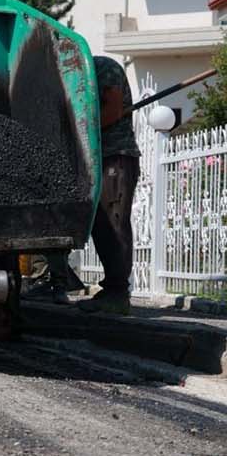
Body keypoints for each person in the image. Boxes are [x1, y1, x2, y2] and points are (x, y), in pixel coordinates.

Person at [78, 55, 141, 316]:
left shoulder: (104, 67)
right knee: (100, 226)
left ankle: (118, 293)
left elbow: (113, 110)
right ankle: (111, 289)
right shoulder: (76, 74)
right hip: (95, 155)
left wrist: (80, 129)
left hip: (116, 155)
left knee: (114, 224)